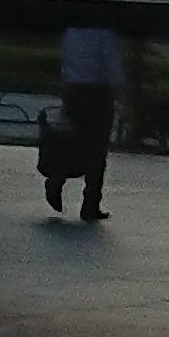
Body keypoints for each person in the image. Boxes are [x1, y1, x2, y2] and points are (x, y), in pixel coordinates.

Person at [52, 18, 123, 220]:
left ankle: (57, 178)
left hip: (73, 89)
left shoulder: (71, 29)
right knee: (97, 148)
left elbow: (66, 59)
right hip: (97, 92)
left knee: (72, 141)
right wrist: (121, 92)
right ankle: (91, 202)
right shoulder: (104, 31)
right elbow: (112, 63)